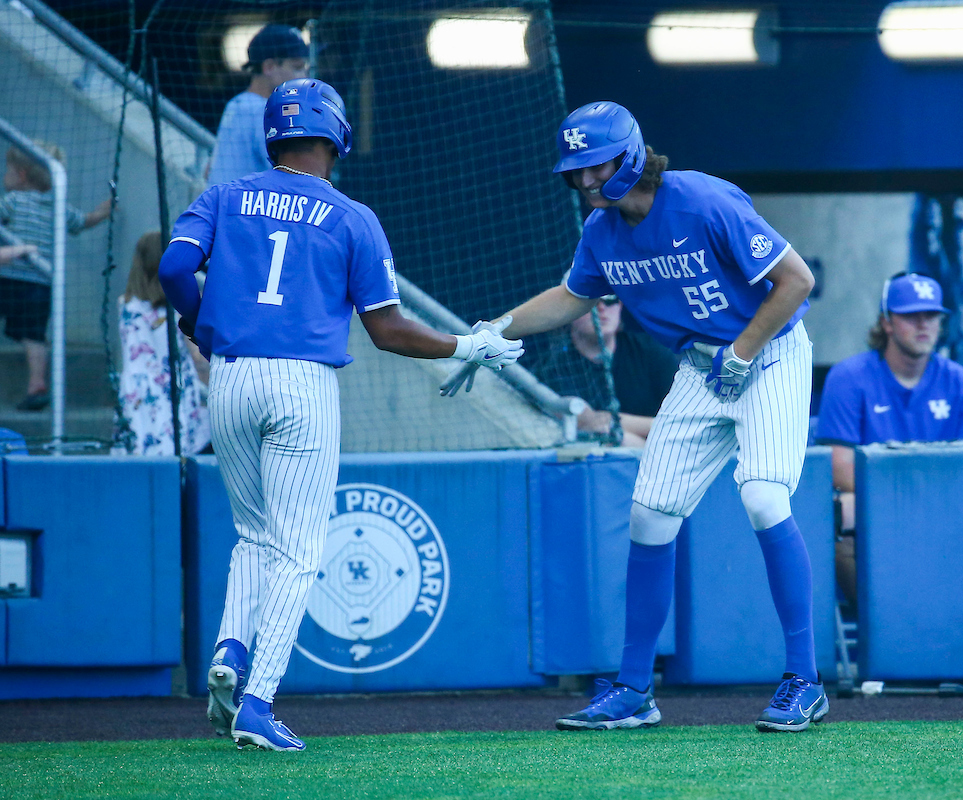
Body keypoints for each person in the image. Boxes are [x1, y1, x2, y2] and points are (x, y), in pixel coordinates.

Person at [158, 78, 524, 751]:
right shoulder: (351, 215)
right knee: (298, 550)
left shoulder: (224, 194)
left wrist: (198, 322)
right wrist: (466, 344)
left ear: (274, 132)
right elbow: (388, 330)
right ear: (334, 132)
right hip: (302, 384)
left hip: (232, 377)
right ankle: (258, 704)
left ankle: (231, 652)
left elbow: (174, 265)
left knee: (254, 536)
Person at [452, 101, 822, 732]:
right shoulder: (601, 232)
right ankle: (633, 689)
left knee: (763, 497)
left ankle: (804, 680)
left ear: (628, 155)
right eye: (577, 171)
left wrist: (743, 351)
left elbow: (796, 280)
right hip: (704, 366)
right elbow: (572, 296)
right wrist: (494, 329)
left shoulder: (702, 201)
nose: (587, 181)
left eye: (595, 166)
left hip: (770, 352)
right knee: (650, 515)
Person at [817, 273, 963, 611]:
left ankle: (943, 622)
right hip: (871, 507)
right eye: (910, 315)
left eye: (932, 315)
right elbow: (839, 467)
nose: (923, 324)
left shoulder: (960, 382)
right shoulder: (848, 377)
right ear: (886, 323)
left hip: (937, 510)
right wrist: (906, 496)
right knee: (841, 510)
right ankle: (883, 624)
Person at [1, 141, 112, 410]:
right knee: (34, 335)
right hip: (41, 283)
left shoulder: (13, 202)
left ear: (21, 174)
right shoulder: (58, 206)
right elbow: (83, 222)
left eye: (8, 169)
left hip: (10, 279)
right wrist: (103, 211)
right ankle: (36, 383)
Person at [538, 294, 678, 446]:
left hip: (665, 450)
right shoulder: (552, 370)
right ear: (568, 310)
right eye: (590, 301)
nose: (601, 308)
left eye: (610, 300)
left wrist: (606, 420)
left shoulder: (652, 353)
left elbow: (682, 424)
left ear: (620, 306)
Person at [117, 231, 210, 456]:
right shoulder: (179, 305)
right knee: (177, 451)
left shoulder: (125, 304)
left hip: (136, 388)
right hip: (173, 388)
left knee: (139, 448)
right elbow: (197, 356)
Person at [207, 24, 309, 187]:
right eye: (297, 67)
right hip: (243, 210)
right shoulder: (264, 110)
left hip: (223, 207)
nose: (304, 76)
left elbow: (208, 170)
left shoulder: (236, 104)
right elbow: (292, 173)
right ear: (269, 67)